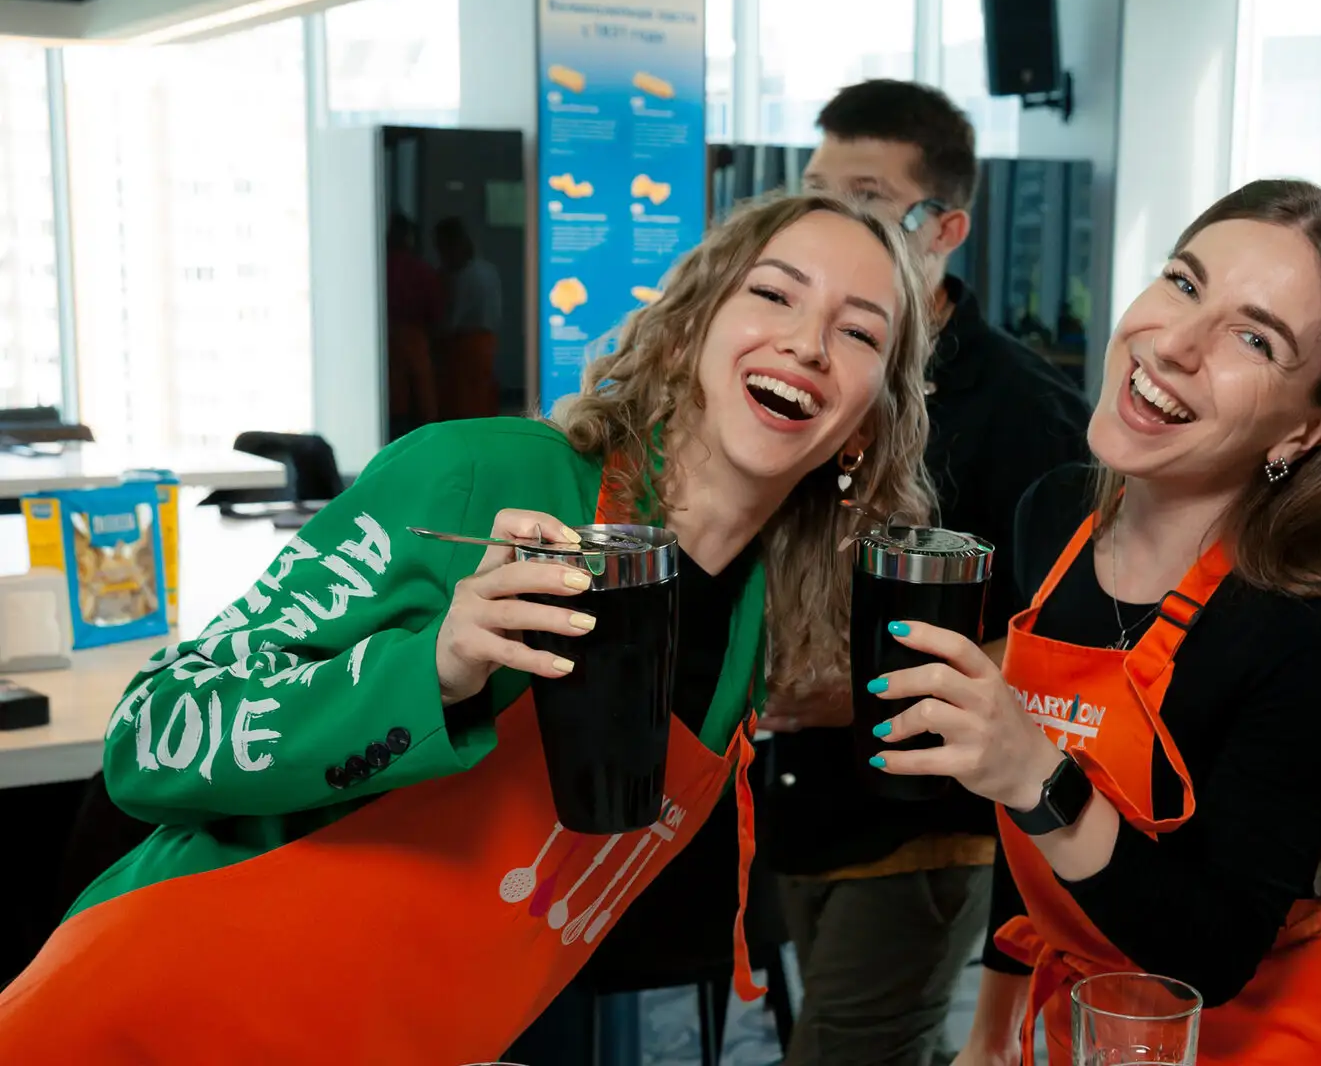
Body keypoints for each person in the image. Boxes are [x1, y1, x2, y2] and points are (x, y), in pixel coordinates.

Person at [0, 193, 935, 1064]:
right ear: (691, 326)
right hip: (151, 1023)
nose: (808, 343)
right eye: (773, 293)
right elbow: (149, 736)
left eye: (858, 332)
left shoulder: (757, 623)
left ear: (866, 424)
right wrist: (432, 670)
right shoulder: (474, 478)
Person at [869, 180, 1321, 1065]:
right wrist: (991, 1032)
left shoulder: (1319, 629)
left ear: (1307, 433)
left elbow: (1211, 953)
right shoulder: (1055, 517)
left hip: (1273, 1043)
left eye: (1254, 338)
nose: (1173, 343)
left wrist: (1035, 773)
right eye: (1183, 281)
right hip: (1094, 1029)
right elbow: (1032, 843)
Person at [759, 79, 1091, 1066]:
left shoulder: (1029, 413)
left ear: (946, 227)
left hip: (923, 824)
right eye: (816, 193)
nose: (833, 222)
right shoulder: (800, 370)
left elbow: (1068, 646)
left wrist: (861, 688)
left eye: (866, 197)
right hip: (788, 797)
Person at [434, 216, 504, 420]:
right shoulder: (488, 270)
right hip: (488, 341)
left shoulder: (463, 276)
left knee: (464, 402)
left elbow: (452, 319)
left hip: (463, 345)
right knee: (483, 395)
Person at [386, 213, 444, 438]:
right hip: (416, 337)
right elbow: (436, 310)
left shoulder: (380, 268)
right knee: (422, 395)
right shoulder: (421, 270)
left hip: (388, 337)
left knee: (395, 395)